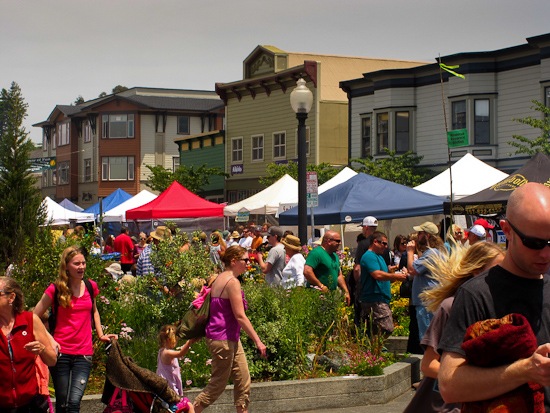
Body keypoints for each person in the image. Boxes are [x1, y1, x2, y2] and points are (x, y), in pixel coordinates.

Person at [438, 183, 550, 409]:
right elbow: (449, 386)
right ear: (506, 230)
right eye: (534, 243)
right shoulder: (476, 294)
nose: (546, 253)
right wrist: (526, 370)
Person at [403, 242, 505, 413]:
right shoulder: (452, 306)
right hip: (447, 406)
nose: (502, 279)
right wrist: (475, 380)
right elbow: (428, 364)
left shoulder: (500, 308)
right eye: (495, 271)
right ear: (476, 271)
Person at [33, 246, 117, 413]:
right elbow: (34, 316)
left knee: (74, 402)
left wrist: (100, 334)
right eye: (76, 263)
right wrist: (50, 339)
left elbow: (94, 310)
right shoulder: (55, 289)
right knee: (63, 403)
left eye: (83, 263)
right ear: (66, 266)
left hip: (84, 354)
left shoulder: (90, 286)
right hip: (61, 353)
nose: (81, 267)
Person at [193, 245, 267, 413]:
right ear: (234, 261)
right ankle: (190, 410)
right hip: (222, 339)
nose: (248, 263)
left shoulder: (219, 277)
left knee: (243, 380)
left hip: (230, 337)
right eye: (245, 260)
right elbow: (240, 316)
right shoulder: (232, 282)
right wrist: (258, 341)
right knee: (217, 385)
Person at [0, 276, 57, 412]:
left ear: (11, 297)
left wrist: (42, 349)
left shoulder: (30, 320)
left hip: (30, 405)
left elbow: (52, 360)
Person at [357, 231, 407, 337]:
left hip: (381, 299)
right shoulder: (369, 256)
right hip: (374, 299)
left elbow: (385, 277)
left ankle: (374, 350)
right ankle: (374, 349)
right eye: (383, 243)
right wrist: (395, 276)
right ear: (375, 242)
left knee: (376, 330)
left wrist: (397, 276)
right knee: (386, 328)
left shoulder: (379, 256)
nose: (385, 246)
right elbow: (377, 275)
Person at [406, 221, 446, 340]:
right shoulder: (437, 252)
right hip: (431, 300)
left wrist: (410, 252)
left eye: (420, 233)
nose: (417, 236)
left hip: (426, 302)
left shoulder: (430, 253)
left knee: (427, 338)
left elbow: (412, 269)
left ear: (427, 235)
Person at [303, 231, 351, 305]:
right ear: (329, 241)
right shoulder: (316, 253)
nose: (340, 243)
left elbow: (339, 275)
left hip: (331, 296)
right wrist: (321, 286)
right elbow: (307, 271)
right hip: (318, 295)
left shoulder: (334, 256)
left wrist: (346, 291)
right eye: (337, 241)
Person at [156, 324, 196, 398]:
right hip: (169, 386)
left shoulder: (161, 351)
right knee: (186, 405)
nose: (176, 341)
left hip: (166, 384)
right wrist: (189, 342)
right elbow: (181, 353)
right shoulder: (166, 352)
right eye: (175, 339)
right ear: (169, 340)